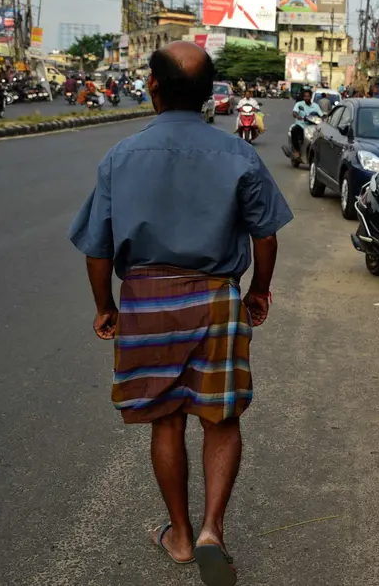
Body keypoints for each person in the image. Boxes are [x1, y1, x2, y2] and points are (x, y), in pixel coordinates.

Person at [68, 41, 293, 584]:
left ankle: (181, 536)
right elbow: (265, 236)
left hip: (147, 301)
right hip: (217, 297)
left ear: (153, 88)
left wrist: (107, 306)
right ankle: (214, 527)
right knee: (222, 418)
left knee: (165, 420)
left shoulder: (121, 157)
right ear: (209, 94)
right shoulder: (239, 155)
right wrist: (259, 291)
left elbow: (98, 250)